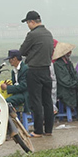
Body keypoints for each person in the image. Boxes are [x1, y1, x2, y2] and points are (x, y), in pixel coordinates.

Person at [18, 10, 54, 138]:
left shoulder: (32, 35)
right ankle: (49, 129)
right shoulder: (48, 33)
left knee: (36, 101)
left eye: (28, 23)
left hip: (34, 70)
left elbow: (22, 51)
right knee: (47, 101)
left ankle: (38, 130)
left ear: (32, 22)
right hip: (46, 70)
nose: (28, 25)